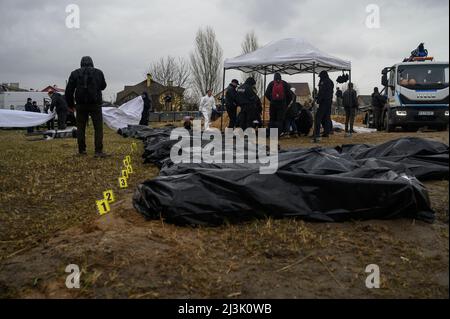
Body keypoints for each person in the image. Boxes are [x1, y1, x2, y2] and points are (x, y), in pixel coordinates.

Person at [66, 56, 107, 157]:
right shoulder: (98, 72)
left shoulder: (74, 73)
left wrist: (71, 105)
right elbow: (103, 86)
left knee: (80, 128)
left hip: (80, 105)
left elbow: (69, 91)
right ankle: (98, 151)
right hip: (95, 104)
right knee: (98, 128)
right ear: (92, 62)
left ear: (81, 63)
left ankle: (82, 150)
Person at [313, 71, 334, 142]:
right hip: (329, 102)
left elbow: (321, 92)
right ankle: (326, 133)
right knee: (326, 117)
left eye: (320, 76)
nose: (320, 78)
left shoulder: (323, 82)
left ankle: (317, 133)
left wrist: (318, 100)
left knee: (318, 117)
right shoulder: (331, 81)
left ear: (322, 76)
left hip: (323, 102)